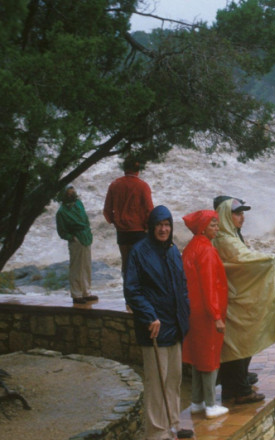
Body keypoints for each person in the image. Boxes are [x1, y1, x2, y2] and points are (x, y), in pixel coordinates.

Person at [212, 195, 275, 404]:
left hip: (234, 298)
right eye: (237, 213)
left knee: (239, 344)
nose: (242, 217)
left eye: (243, 213)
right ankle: (241, 391)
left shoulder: (229, 237)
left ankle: (233, 388)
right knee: (238, 345)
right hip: (233, 301)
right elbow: (248, 261)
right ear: (226, 215)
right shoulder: (226, 240)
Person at [124, 205, 193, 440]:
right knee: (156, 383)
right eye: (159, 225)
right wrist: (148, 316)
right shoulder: (139, 252)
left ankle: (173, 424)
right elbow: (132, 290)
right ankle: (156, 432)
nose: (163, 229)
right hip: (154, 327)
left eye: (167, 225)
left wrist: (185, 314)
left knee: (174, 380)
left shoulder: (172, 250)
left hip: (174, 326)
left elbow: (181, 285)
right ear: (151, 227)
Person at [181, 210, 229, 419]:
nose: (217, 228)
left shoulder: (190, 248)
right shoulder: (207, 251)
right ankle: (210, 405)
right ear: (202, 227)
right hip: (207, 314)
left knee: (198, 356)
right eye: (213, 225)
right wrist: (216, 315)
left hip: (193, 311)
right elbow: (209, 286)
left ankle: (196, 402)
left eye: (216, 224)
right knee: (210, 356)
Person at [103, 156, 154, 275]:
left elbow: (107, 210)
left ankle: (128, 291)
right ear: (138, 170)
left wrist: (114, 222)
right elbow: (149, 210)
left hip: (122, 231)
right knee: (140, 264)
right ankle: (139, 292)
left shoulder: (114, 184)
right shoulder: (143, 186)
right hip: (139, 231)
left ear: (124, 169)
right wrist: (147, 227)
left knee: (126, 263)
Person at [55, 184, 98, 305]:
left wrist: (88, 232)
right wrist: (72, 238)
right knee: (76, 267)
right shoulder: (61, 212)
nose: (71, 194)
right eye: (69, 193)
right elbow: (62, 231)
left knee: (86, 266)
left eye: (72, 192)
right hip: (76, 239)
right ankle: (76, 294)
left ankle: (86, 292)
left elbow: (85, 219)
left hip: (86, 236)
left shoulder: (79, 204)